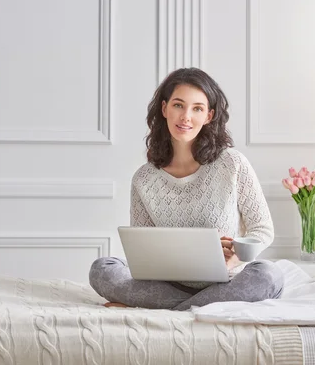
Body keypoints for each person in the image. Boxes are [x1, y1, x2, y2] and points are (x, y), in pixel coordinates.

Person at [89, 68, 284, 311]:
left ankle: (171, 310)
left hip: (228, 282)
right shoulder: (144, 178)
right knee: (102, 270)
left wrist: (235, 255)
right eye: (178, 105)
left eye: (197, 108)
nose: (186, 117)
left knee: (268, 275)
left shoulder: (232, 163)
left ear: (209, 116)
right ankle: (193, 307)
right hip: (167, 286)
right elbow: (144, 250)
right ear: (164, 109)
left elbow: (262, 229)